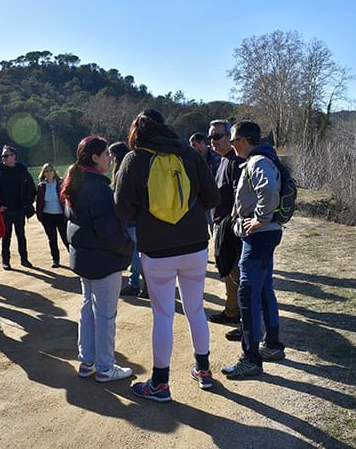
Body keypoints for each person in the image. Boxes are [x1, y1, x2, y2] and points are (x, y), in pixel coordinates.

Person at [115, 110, 220, 401]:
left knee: (163, 314)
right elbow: (213, 197)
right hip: (195, 245)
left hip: (156, 249)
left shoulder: (134, 159)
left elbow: (122, 208)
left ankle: (160, 384)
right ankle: (204, 370)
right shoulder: (189, 154)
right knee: (195, 309)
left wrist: (146, 216)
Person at [61, 136, 134, 383]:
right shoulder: (98, 188)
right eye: (106, 155)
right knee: (105, 315)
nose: (110, 159)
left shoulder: (75, 182)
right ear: (95, 158)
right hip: (103, 260)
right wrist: (128, 248)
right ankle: (104, 366)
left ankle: (88, 361)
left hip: (85, 258)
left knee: (88, 311)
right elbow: (109, 231)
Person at [221, 121, 286, 380]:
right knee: (264, 288)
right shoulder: (265, 158)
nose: (231, 145)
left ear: (244, 141)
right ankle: (272, 345)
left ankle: (251, 360)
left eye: (233, 140)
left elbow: (268, 190)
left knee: (247, 295)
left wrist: (259, 217)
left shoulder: (257, 162)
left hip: (258, 236)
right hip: (266, 235)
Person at [207, 120, 244, 334]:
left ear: (230, 137)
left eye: (217, 136)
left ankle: (241, 319)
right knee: (228, 270)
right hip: (222, 223)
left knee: (235, 271)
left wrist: (230, 224)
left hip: (231, 226)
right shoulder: (222, 160)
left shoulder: (235, 162)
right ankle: (231, 311)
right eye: (211, 137)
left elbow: (240, 198)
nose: (213, 141)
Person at [109, 141, 146, 298]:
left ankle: (148, 284)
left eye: (111, 155)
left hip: (129, 220)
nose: (109, 158)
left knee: (133, 255)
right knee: (135, 254)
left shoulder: (122, 172)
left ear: (116, 156)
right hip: (133, 219)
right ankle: (134, 284)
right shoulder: (130, 168)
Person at [0, 145, 36, 270]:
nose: (3, 158)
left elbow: (32, 189)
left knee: (21, 235)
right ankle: (6, 261)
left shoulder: (22, 170)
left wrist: (27, 204)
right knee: (6, 237)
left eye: (6, 156)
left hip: (19, 209)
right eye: (2, 156)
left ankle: (24, 259)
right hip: (5, 211)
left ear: (13, 156)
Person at [35, 163, 69, 268]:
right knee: (52, 239)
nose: (49, 173)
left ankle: (74, 258)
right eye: (46, 171)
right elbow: (39, 202)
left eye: (51, 170)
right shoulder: (41, 186)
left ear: (54, 172)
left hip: (60, 216)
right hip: (47, 217)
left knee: (66, 238)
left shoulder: (60, 183)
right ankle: (56, 260)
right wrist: (39, 215)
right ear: (43, 173)